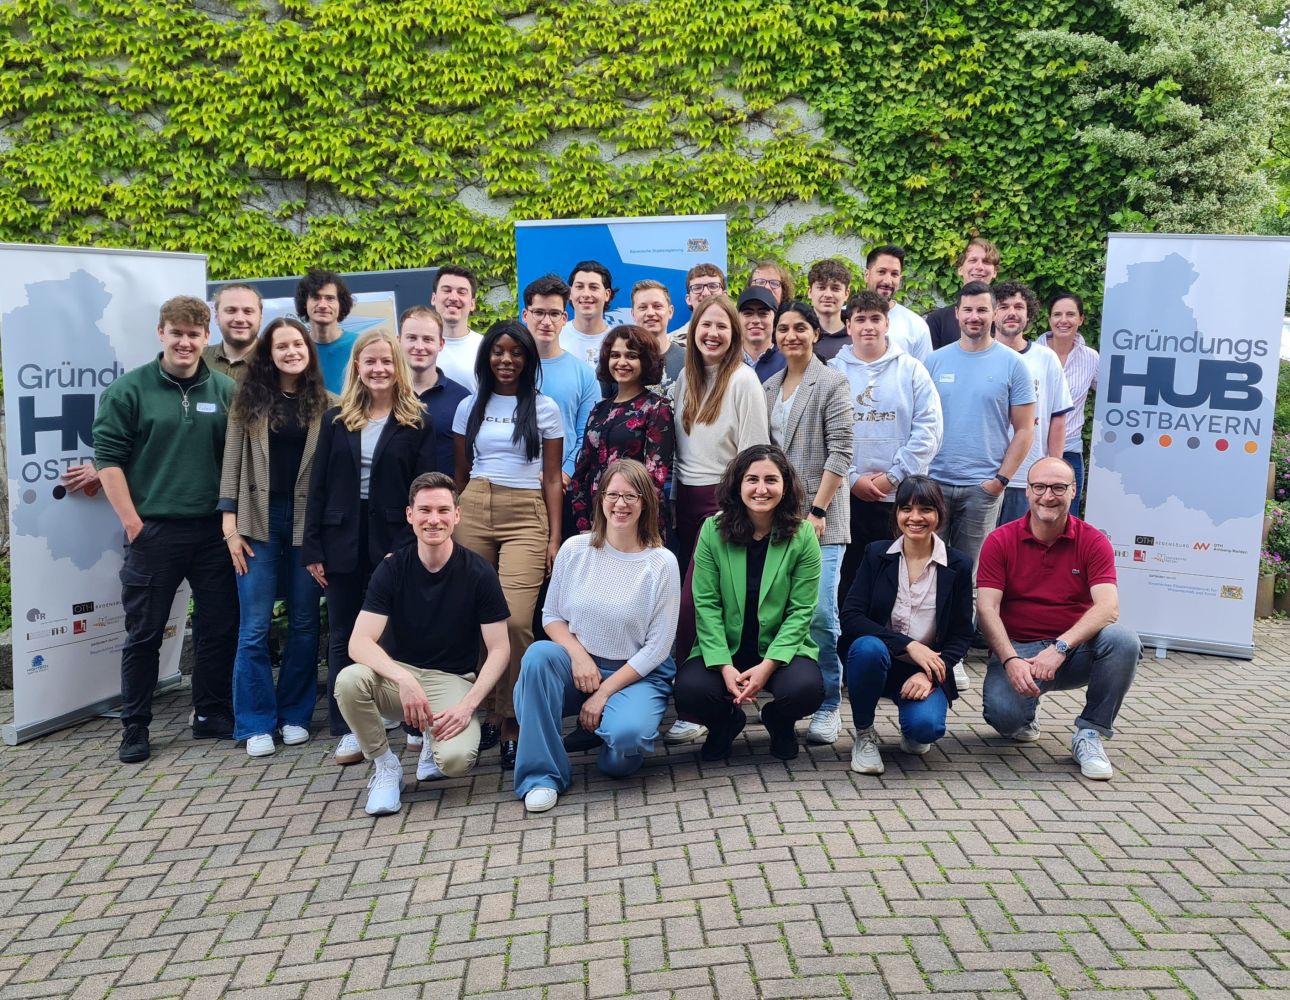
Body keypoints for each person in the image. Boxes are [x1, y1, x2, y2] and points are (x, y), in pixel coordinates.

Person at [92, 295, 238, 763]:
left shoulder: (225, 390)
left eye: (194, 334)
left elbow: (236, 460)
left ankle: (210, 713)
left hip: (213, 532)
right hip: (154, 532)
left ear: (206, 337)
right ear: (161, 333)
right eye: (176, 333)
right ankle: (135, 726)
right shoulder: (128, 391)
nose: (185, 342)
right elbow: (108, 461)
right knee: (145, 634)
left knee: (218, 627)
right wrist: (133, 524)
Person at [335, 473, 511, 816]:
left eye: (443, 510)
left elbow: (500, 649)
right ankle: (386, 767)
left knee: (456, 762)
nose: (434, 519)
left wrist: (468, 706)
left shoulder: (478, 572)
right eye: (425, 510)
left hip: (452, 681)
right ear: (409, 515)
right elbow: (359, 642)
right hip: (398, 680)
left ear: (457, 515)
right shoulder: (392, 569)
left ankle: (434, 739)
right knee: (349, 680)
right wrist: (403, 679)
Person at [513, 460, 681, 812]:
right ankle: (542, 776)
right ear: (600, 498)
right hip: (580, 667)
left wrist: (603, 693)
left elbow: (658, 648)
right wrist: (578, 656)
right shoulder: (575, 549)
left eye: (631, 496)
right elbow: (551, 616)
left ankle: (610, 731)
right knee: (538, 657)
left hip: (636, 674)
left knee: (621, 752)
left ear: (646, 503)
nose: (621, 504)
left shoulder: (662, 563)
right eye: (613, 494)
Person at [302, 330, 438, 767]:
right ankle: (349, 729)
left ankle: (414, 725)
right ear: (357, 367)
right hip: (340, 539)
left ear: (398, 366)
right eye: (370, 361)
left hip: (395, 540)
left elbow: (425, 488)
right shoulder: (335, 420)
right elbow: (317, 485)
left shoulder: (417, 421)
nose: (378, 369)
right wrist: (312, 547)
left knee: (401, 633)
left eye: (386, 361)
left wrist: (408, 544)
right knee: (343, 634)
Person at [976, 457, 1141, 780]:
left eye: (1058, 488)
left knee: (1123, 641)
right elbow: (986, 608)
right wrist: (1010, 660)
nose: (1047, 496)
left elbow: (1108, 607)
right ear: (1027, 491)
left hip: (1074, 650)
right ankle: (1025, 713)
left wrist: (1060, 647)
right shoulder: (1000, 540)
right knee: (1006, 720)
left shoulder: (1093, 540)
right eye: (1039, 487)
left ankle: (1090, 733)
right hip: (1019, 651)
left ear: (1073, 490)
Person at [219, 317, 334, 757]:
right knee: (254, 626)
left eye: (298, 345)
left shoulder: (328, 404)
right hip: (257, 520)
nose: (291, 352)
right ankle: (255, 722)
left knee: (305, 622)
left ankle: (294, 715)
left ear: (308, 351)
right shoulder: (247, 401)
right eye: (282, 346)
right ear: (268, 353)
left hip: (308, 523)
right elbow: (231, 463)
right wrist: (229, 527)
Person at [452, 321, 564, 769]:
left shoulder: (545, 408)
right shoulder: (468, 406)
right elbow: (460, 473)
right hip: (474, 507)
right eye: (498, 351)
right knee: (479, 620)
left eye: (516, 352)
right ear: (486, 357)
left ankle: (512, 717)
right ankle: (489, 715)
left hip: (526, 512)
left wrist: (554, 536)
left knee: (516, 621)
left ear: (528, 359)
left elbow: (552, 478)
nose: (506, 359)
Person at [672, 445, 824, 761]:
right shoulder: (712, 531)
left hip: (780, 649)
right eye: (752, 479)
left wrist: (767, 667)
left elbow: (801, 611)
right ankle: (725, 723)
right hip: (726, 647)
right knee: (690, 691)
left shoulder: (803, 536)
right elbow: (706, 604)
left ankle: (779, 721)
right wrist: (724, 665)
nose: (761, 489)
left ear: (785, 486)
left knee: (806, 690)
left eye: (771, 480)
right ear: (738, 484)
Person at [667, 293, 770, 745]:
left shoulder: (744, 381)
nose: (712, 334)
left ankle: (696, 708)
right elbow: (678, 451)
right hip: (684, 502)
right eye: (704, 325)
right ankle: (709, 699)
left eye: (721, 327)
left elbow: (754, 453)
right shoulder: (684, 379)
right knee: (692, 604)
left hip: (722, 504)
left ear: (734, 334)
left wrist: (738, 510)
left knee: (695, 604)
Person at [762, 302, 853, 746]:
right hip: (777, 520)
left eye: (800, 327)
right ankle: (788, 696)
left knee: (820, 615)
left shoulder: (832, 382)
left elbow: (842, 451)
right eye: (783, 328)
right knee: (781, 613)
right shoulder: (768, 386)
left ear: (816, 333)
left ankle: (829, 704)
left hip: (821, 521)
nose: (791, 335)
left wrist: (816, 511)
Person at [840, 477, 972, 775]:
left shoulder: (958, 564)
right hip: (878, 661)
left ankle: (912, 725)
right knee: (867, 648)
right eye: (906, 509)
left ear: (939, 514)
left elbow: (962, 634)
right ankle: (864, 735)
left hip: (924, 670)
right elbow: (851, 616)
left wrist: (930, 674)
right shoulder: (876, 554)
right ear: (896, 513)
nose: (915, 517)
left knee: (925, 729)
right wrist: (909, 645)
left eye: (925, 509)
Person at [830, 292, 943, 609]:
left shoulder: (912, 370)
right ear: (848, 326)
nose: (868, 326)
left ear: (887, 324)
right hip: (846, 496)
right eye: (860, 319)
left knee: (894, 579)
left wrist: (893, 476)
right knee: (847, 580)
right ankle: (847, 638)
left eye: (875, 319)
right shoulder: (832, 371)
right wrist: (851, 478)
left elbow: (929, 430)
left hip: (899, 498)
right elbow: (824, 433)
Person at [925, 282, 1035, 572]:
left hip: (982, 489)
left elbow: (1025, 429)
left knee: (971, 576)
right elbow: (918, 422)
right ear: (957, 314)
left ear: (994, 313)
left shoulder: (1014, 365)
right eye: (968, 310)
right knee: (926, 571)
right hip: (934, 484)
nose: (974, 317)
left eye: (982, 310)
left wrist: (1000, 481)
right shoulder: (933, 362)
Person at [568, 325, 673, 535]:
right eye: (615, 355)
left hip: (636, 524)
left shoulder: (657, 408)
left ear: (645, 361)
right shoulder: (599, 410)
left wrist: (631, 524)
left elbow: (654, 478)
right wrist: (584, 523)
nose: (622, 362)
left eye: (631, 356)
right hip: (595, 523)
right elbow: (581, 472)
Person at [992, 282, 1074, 525]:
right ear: (993, 313)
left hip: (1028, 479)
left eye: (1019, 307)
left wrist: (1053, 470)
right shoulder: (979, 356)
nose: (1012, 313)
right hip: (984, 476)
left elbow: (1058, 418)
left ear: (1029, 315)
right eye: (1003, 306)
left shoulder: (1045, 358)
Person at [523, 274, 600, 488]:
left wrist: (563, 475)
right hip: (514, 483)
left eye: (554, 314)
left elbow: (588, 435)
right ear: (525, 315)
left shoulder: (585, 374)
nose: (547, 322)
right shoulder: (509, 370)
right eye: (539, 312)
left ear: (564, 318)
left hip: (564, 486)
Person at [1037, 292, 1098, 513]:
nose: (1063, 320)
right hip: (1033, 450)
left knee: (1065, 519)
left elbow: (1111, 394)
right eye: (1057, 314)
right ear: (1049, 319)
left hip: (1069, 452)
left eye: (1070, 314)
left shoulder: (1091, 358)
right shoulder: (1031, 354)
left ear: (1081, 319)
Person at [399, 305, 469, 476]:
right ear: (398, 341)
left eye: (428, 339)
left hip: (446, 492)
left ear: (441, 344)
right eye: (411, 338)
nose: (419, 346)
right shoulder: (385, 395)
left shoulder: (462, 399)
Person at [861, 245, 932, 363]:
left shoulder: (916, 325)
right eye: (881, 272)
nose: (887, 281)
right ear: (866, 275)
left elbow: (924, 372)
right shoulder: (845, 317)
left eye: (894, 274)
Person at [926, 238, 1001, 351]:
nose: (979, 267)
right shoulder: (937, 321)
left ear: (995, 272)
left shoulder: (1005, 319)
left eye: (986, 262)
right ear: (960, 269)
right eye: (973, 260)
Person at [296, 268, 357, 394]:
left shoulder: (359, 345)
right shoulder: (296, 348)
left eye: (330, 298)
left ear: (340, 304)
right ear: (305, 303)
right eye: (316, 297)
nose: (323, 305)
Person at [431, 264, 483, 390]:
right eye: (447, 290)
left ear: (472, 304)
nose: (453, 298)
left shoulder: (486, 347)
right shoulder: (418, 348)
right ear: (434, 298)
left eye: (461, 292)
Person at [631, 279, 686, 396]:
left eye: (657, 306)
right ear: (633, 314)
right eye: (643, 307)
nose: (650, 313)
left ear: (670, 312)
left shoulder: (688, 361)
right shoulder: (617, 362)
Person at [203, 283, 263, 383]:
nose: (239, 319)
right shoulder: (198, 360)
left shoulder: (275, 361)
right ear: (217, 317)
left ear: (260, 318)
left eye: (248, 311)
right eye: (231, 310)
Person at [559, 261, 614, 367]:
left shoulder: (617, 341)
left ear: (607, 294)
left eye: (593, 287)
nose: (586, 294)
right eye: (579, 287)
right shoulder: (555, 337)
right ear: (570, 293)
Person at [806, 259, 851, 361]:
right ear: (810, 292)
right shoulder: (798, 334)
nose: (828, 295)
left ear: (846, 294)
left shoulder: (857, 336)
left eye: (835, 288)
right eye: (821, 287)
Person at [738, 286, 786, 382]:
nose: (755, 320)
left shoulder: (788, 363)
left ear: (775, 319)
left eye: (763, 313)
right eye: (748, 313)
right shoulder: (726, 362)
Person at [670, 263, 727, 341]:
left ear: (724, 296)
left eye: (713, 286)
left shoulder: (740, 339)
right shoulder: (670, 342)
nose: (706, 293)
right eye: (697, 288)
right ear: (688, 299)